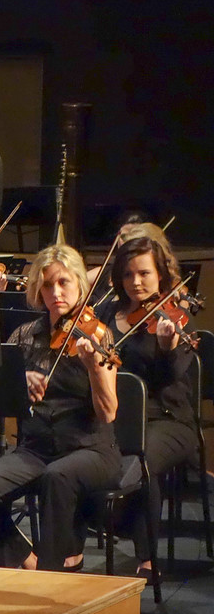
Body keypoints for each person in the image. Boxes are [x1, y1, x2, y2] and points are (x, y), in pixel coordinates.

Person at [0, 244, 119, 572]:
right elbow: (1, 400)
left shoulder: (98, 336)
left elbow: (107, 413)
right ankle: (28, 558)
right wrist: (20, 384)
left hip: (89, 447)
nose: (56, 292)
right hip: (36, 449)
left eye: (64, 282)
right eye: (48, 285)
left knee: (57, 477)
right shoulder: (25, 336)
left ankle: (53, 576)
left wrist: (93, 368)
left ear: (79, 284)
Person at [96, 236, 198, 582]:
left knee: (144, 461)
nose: (135, 282)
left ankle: (147, 558)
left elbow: (171, 378)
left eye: (144, 273)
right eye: (127, 275)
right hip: (116, 417)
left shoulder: (174, 317)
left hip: (166, 419)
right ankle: (73, 545)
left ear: (161, 275)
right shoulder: (109, 312)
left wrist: (168, 346)